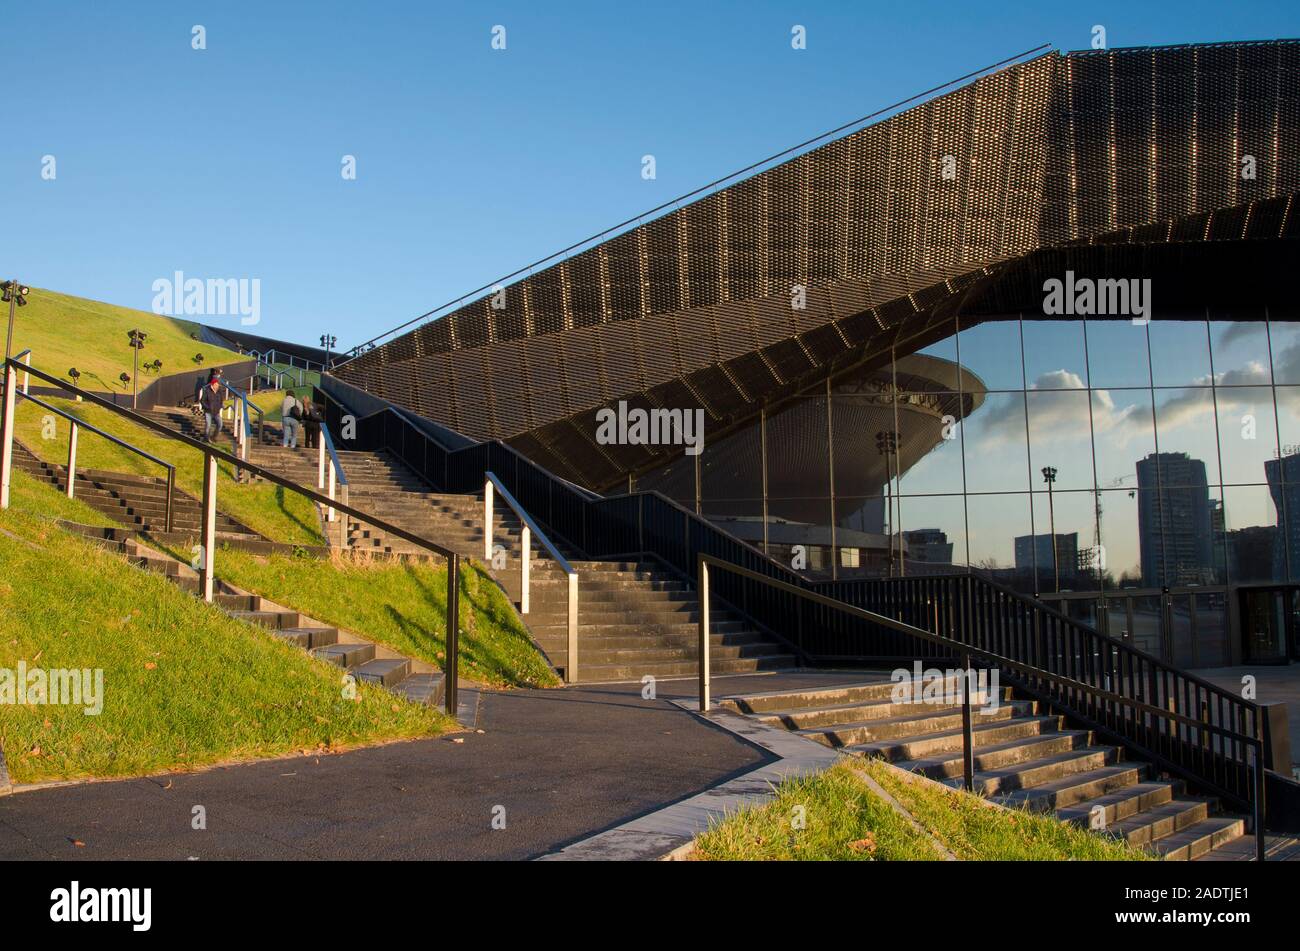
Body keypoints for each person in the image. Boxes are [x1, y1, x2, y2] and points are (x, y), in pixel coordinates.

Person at [199, 371, 226, 444]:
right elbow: (202, 401)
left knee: (220, 425)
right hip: (208, 411)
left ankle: (213, 437)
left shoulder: (219, 392)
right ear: (212, 385)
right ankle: (206, 438)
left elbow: (221, 400)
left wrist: (220, 406)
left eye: (218, 384)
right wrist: (207, 407)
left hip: (216, 412)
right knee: (208, 425)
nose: (217, 386)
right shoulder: (207, 391)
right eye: (216, 384)